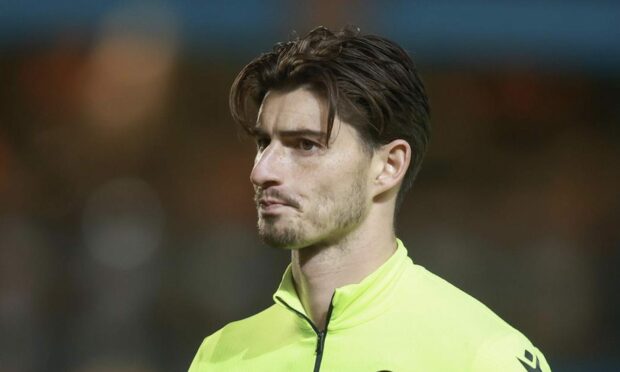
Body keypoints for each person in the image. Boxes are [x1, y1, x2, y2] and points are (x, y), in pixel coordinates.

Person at [189, 26, 551, 372]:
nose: (262, 171)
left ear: (389, 166)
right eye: (264, 143)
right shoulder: (219, 356)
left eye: (306, 145)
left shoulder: (484, 356)